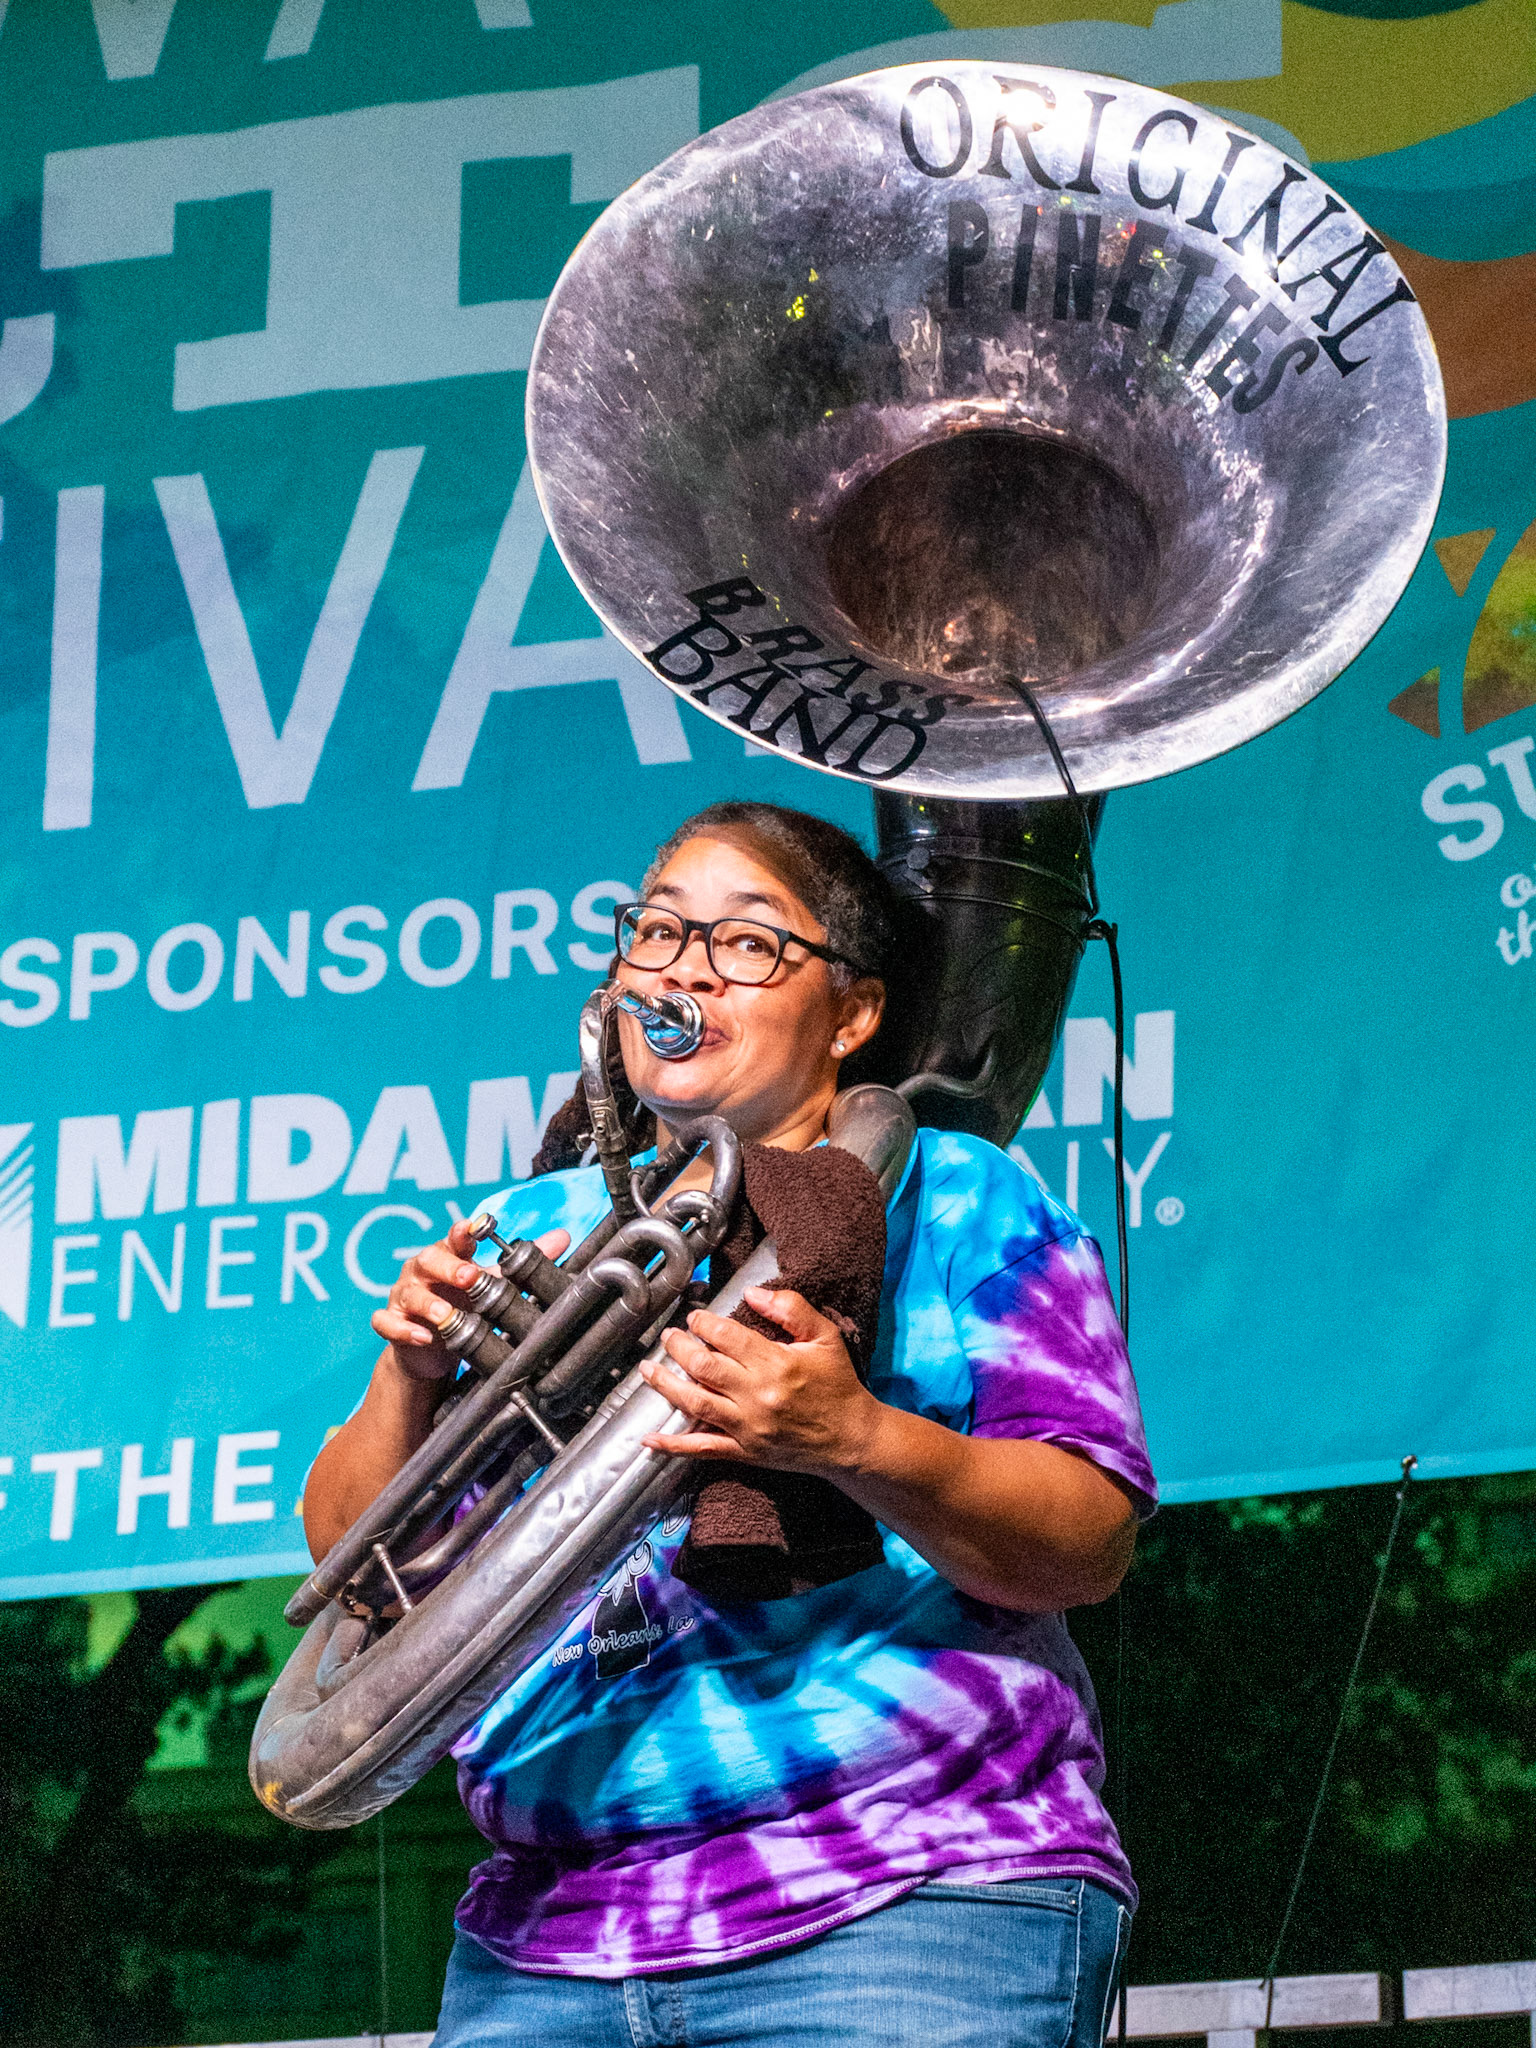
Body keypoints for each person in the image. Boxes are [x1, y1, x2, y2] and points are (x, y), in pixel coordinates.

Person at [303, 799, 1157, 2048]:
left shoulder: (963, 1192)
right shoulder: (529, 1219)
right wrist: (410, 1378)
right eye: (656, 929)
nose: (686, 965)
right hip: (546, 1939)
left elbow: (1084, 1542)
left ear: (853, 1014)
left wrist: (852, 1436)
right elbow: (356, 1578)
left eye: (749, 942)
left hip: (907, 1901)